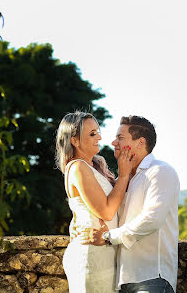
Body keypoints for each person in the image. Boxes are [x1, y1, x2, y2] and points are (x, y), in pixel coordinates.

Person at [77, 115, 180, 293]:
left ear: (140, 143)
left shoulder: (160, 172)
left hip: (152, 277)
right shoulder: (123, 180)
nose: (113, 142)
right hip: (124, 280)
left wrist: (109, 237)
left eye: (120, 138)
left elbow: (152, 219)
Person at [55, 111, 135, 293]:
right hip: (91, 256)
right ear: (74, 141)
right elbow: (106, 212)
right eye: (92, 134)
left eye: (97, 131)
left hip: (104, 253)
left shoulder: (94, 167)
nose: (99, 136)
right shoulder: (78, 167)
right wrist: (123, 175)